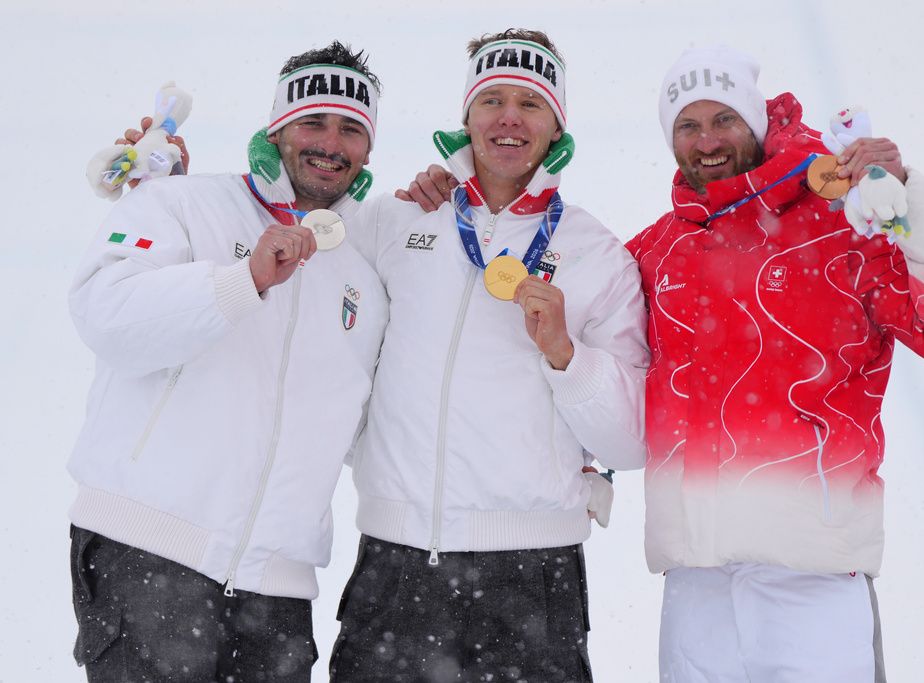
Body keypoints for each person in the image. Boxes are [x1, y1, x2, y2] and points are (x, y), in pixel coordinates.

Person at [626, 46, 924, 682]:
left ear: (756, 123)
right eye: (687, 125)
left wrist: (906, 191)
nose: (707, 140)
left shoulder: (843, 222)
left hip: (813, 574)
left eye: (725, 119)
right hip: (696, 580)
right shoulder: (658, 248)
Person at [328, 29, 650, 682]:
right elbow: (300, 264)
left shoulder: (599, 255)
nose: (508, 118)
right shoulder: (400, 220)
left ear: (557, 126)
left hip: (531, 575)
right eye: (492, 100)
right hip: (394, 560)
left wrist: (566, 355)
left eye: (530, 104)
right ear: (467, 118)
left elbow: (630, 444)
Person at [66, 41, 388, 682]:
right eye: (313, 122)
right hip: (150, 552)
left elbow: (359, 431)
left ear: (368, 150)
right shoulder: (180, 204)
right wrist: (242, 280)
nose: (330, 142)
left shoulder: (362, 278)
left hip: (278, 590)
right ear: (277, 129)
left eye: (351, 128)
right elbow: (108, 317)